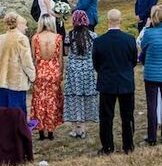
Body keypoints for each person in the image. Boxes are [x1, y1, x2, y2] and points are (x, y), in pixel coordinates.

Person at [92, 9, 137, 153]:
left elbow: (96, 63)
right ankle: (128, 146)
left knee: (106, 117)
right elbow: (133, 60)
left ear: (107, 21)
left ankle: (108, 146)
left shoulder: (99, 41)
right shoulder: (130, 39)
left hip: (107, 82)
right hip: (125, 82)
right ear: (120, 20)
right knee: (127, 116)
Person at [139, 4, 162, 145]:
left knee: (152, 105)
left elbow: (143, 46)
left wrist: (147, 27)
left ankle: (152, 137)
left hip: (151, 74)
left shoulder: (149, 33)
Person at [63, 9, 98, 138]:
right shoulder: (92, 36)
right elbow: (95, 52)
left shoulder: (70, 35)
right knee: (86, 96)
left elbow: (66, 52)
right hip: (88, 69)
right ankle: (83, 128)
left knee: (73, 97)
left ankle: (74, 128)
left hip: (73, 70)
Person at [0, 12, 36, 114]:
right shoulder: (21, 39)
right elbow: (27, 62)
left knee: (3, 114)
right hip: (16, 83)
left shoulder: (0, 38)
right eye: (25, 25)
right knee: (17, 115)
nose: (26, 28)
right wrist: (32, 76)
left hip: (1, 81)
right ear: (18, 24)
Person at [30, 15, 64, 140]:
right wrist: (61, 73)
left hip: (40, 71)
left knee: (39, 101)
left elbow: (33, 58)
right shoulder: (58, 38)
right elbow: (60, 59)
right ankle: (50, 132)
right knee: (53, 101)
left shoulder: (35, 38)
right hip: (53, 71)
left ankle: (41, 132)